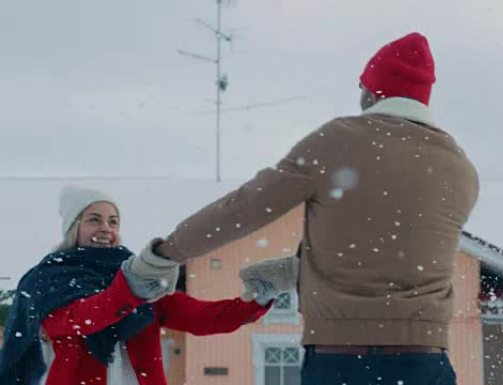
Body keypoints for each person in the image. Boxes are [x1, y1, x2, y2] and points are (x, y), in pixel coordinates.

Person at [130, 32, 479, 385]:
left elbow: (246, 206)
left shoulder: (339, 140)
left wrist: (164, 253)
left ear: (374, 91)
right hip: (425, 362)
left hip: (341, 362)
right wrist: (301, 270)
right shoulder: (460, 168)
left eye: (362, 85)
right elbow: (397, 253)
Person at [0, 186, 278, 385]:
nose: (106, 228)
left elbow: (202, 317)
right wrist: (130, 288)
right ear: (73, 227)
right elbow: (79, 319)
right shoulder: (50, 279)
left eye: (113, 221)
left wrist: (256, 300)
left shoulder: (138, 277)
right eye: (94, 219)